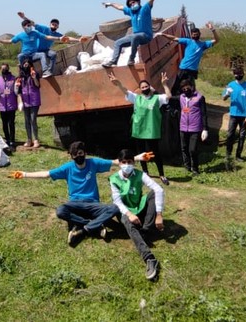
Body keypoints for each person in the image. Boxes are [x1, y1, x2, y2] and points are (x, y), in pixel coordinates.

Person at [9, 141, 154, 246]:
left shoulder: (93, 163)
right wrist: (25, 174)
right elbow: (46, 174)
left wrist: (138, 158)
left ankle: (82, 228)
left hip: (93, 204)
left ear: (85, 153)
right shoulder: (67, 168)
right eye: (76, 154)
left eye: (81, 153)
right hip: (75, 204)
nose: (79, 156)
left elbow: (117, 162)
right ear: (71, 156)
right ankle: (94, 226)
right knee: (60, 211)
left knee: (114, 208)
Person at [109, 70, 172, 185]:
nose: (144, 88)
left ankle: (162, 174)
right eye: (142, 87)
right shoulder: (136, 98)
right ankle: (145, 172)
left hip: (152, 130)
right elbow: (125, 91)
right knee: (141, 152)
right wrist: (118, 83)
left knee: (155, 153)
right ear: (140, 89)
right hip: (139, 130)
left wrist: (164, 84)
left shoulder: (157, 98)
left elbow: (168, 96)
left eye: (146, 86)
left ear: (150, 87)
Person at [110, 149, 165, 281]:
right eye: (124, 162)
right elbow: (117, 201)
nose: (127, 165)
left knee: (153, 194)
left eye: (129, 162)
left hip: (138, 206)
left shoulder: (140, 174)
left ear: (134, 163)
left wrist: (159, 214)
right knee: (127, 221)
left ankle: (144, 231)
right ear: (119, 163)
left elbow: (159, 189)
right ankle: (149, 258)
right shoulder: (114, 179)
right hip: (125, 211)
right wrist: (129, 214)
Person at [101, 0, 167, 68]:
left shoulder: (145, 9)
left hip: (146, 36)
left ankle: (131, 59)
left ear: (138, 2)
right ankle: (113, 61)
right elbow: (120, 7)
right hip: (135, 37)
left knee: (134, 37)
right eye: (130, 4)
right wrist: (110, 4)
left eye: (133, 2)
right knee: (118, 42)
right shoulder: (131, 12)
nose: (132, 4)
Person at [0, 20, 66, 78]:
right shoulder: (21, 35)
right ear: (24, 27)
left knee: (42, 54)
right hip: (25, 55)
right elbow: (10, 41)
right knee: (20, 56)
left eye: (30, 25)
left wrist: (59, 38)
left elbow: (47, 37)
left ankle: (45, 71)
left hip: (34, 54)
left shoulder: (35, 33)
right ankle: (22, 72)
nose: (30, 27)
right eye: (28, 26)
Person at [158, 21, 219, 92]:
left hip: (192, 70)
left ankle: (191, 101)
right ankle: (174, 101)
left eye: (196, 34)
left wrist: (212, 29)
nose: (195, 35)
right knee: (176, 86)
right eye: (193, 34)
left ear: (199, 34)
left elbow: (217, 40)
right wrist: (162, 34)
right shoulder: (188, 41)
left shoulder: (204, 44)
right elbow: (174, 38)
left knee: (190, 88)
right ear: (191, 35)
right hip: (183, 68)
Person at [170, 80, 209, 175]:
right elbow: (169, 97)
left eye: (188, 87)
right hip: (183, 127)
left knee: (193, 149)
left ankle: (195, 168)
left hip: (195, 128)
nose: (186, 90)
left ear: (192, 87)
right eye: (184, 89)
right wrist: (161, 87)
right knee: (184, 148)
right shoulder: (181, 97)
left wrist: (205, 129)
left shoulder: (200, 98)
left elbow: (204, 114)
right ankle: (187, 166)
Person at [222, 66, 246, 167]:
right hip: (233, 114)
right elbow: (223, 98)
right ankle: (228, 154)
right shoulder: (230, 85)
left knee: (242, 135)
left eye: (240, 74)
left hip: (244, 115)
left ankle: (238, 155)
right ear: (234, 74)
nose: (238, 76)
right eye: (236, 74)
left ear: (243, 74)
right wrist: (227, 93)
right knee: (230, 134)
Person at [17, 59, 42, 147]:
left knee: (33, 120)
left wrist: (34, 77)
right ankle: (29, 139)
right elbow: (18, 91)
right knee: (26, 121)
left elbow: (38, 85)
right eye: (24, 64)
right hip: (25, 102)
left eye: (28, 64)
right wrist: (20, 102)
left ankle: (36, 140)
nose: (26, 65)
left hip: (34, 101)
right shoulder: (20, 77)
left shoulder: (35, 74)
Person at [0, 63, 19, 152]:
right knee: (4, 124)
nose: (4, 70)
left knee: (11, 124)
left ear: (8, 68)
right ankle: (7, 140)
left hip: (11, 105)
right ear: (0, 69)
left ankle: (12, 142)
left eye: (5, 68)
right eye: (2, 68)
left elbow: (16, 92)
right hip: (2, 106)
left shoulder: (13, 79)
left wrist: (17, 87)